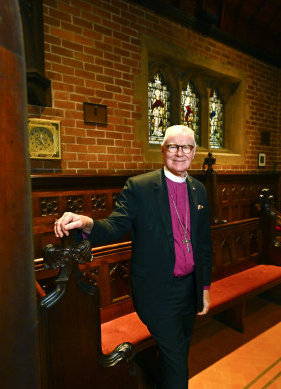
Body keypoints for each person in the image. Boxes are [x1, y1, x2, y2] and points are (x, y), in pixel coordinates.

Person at [54, 125, 212, 389]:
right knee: (176, 361)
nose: (180, 153)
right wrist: (86, 222)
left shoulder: (199, 190)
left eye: (186, 147)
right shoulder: (140, 187)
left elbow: (204, 244)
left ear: (194, 152)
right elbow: (115, 225)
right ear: (163, 150)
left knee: (180, 350)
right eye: (173, 146)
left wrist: (204, 287)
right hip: (158, 291)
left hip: (190, 288)